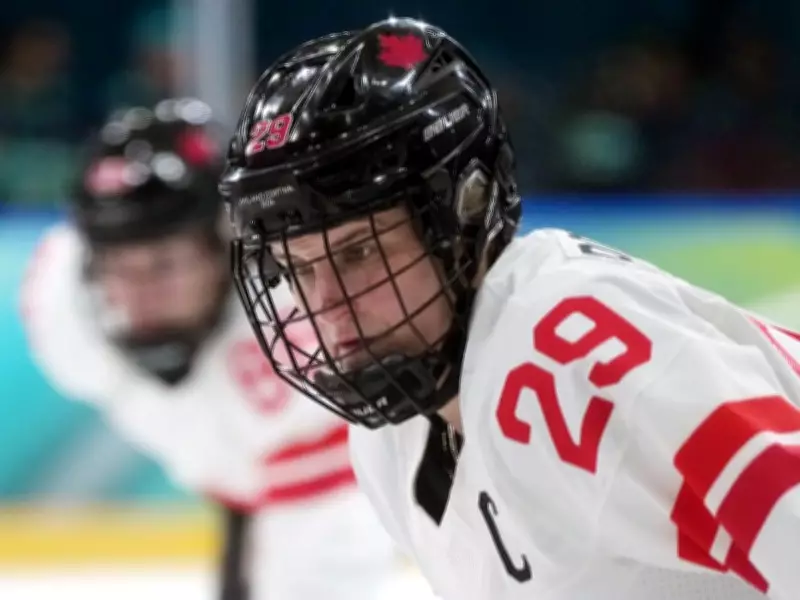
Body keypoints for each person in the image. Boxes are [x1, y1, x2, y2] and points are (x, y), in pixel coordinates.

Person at [219, 17, 800, 600]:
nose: (326, 307)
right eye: (297, 268)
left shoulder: (569, 351)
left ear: (463, 212)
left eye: (358, 252)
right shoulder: (390, 442)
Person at [20, 98, 402, 600]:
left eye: (163, 263)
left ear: (223, 243)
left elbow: (326, 553)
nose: (141, 294)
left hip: (314, 484)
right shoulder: (62, 305)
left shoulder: (301, 327)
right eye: (118, 266)